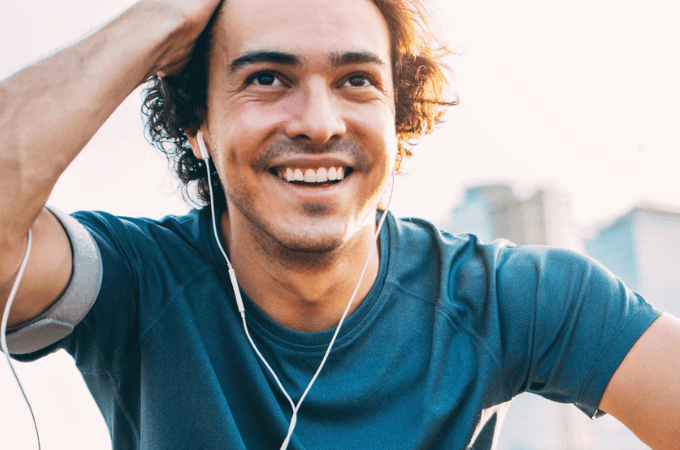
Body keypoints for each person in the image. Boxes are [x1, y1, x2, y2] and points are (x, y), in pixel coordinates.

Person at [1, 0, 678, 448]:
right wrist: (160, 19)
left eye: (357, 80)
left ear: (397, 118)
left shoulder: (508, 298)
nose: (320, 123)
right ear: (196, 124)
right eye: (267, 78)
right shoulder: (135, 279)